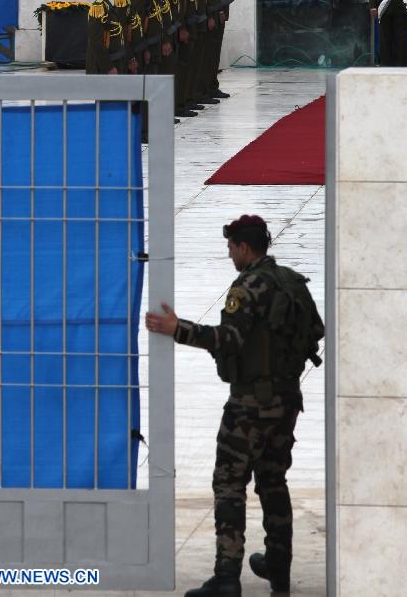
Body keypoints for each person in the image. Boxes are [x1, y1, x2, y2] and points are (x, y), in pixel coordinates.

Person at [146, 215, 324, 597]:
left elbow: (228, 339)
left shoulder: (248, 286)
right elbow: (315, 332)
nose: (229, 254)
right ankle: (278, 567)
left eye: (231, 247)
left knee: (229, 484)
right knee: (273, 481)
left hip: (249, 405)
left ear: (244, 247)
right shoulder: (291, 281)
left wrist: (177, 329)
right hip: (287, 400)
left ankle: (226, 576)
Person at [85, 0, 126, 75]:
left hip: (115, 59)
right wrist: (108, 66)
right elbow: (95, 41)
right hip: (102, 67)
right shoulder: (99, 7)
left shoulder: (111, 5)